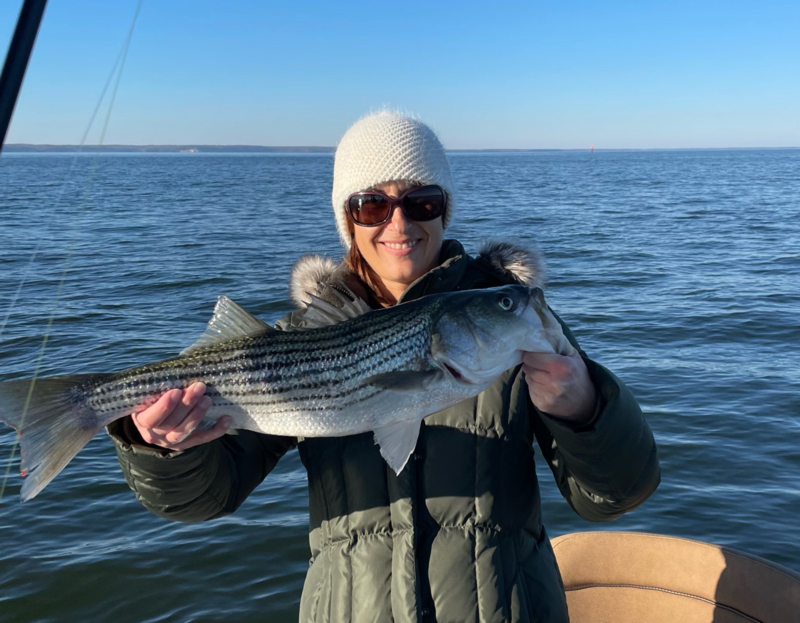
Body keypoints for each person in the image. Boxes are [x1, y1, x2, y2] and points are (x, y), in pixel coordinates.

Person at [108, 111, 660, 623]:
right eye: (371, 205)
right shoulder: (299, 336)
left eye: (422, 202)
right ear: (347, 219)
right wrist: (164, 448)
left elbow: (617, 495)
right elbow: (204, 499)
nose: (398, 222)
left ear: (444, 209)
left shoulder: (518, 325)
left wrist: (585, 409)